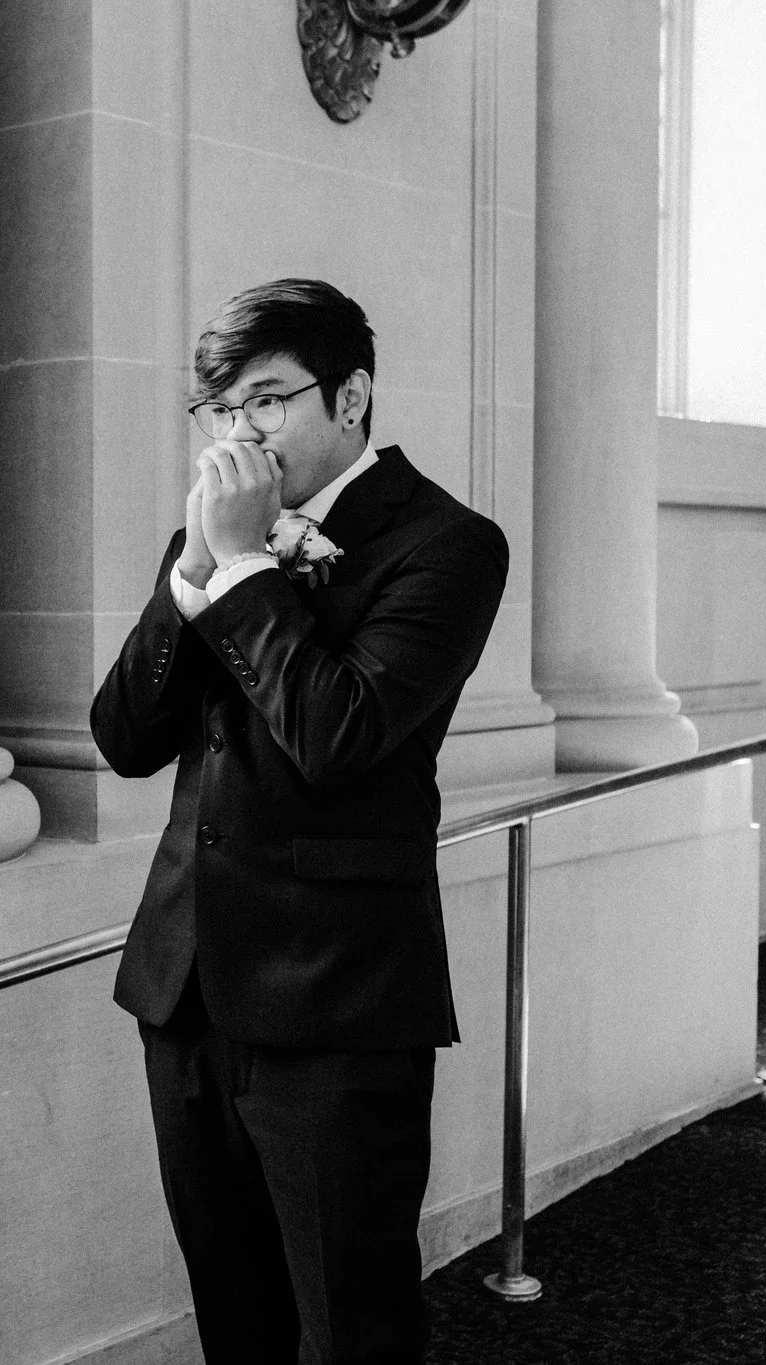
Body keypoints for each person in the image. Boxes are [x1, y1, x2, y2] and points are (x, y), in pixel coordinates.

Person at [90, 280, 508, 1363]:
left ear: (352, 395)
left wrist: (234, 567)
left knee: (348, 1325)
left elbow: (339, 733)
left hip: (336, 1001)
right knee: (233, 1315)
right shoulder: (215, 539)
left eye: (266, 402)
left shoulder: (448, 545)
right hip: (183, 991)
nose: (239, 435)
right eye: (220, 410)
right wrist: (191, 573)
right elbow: (124, 738)